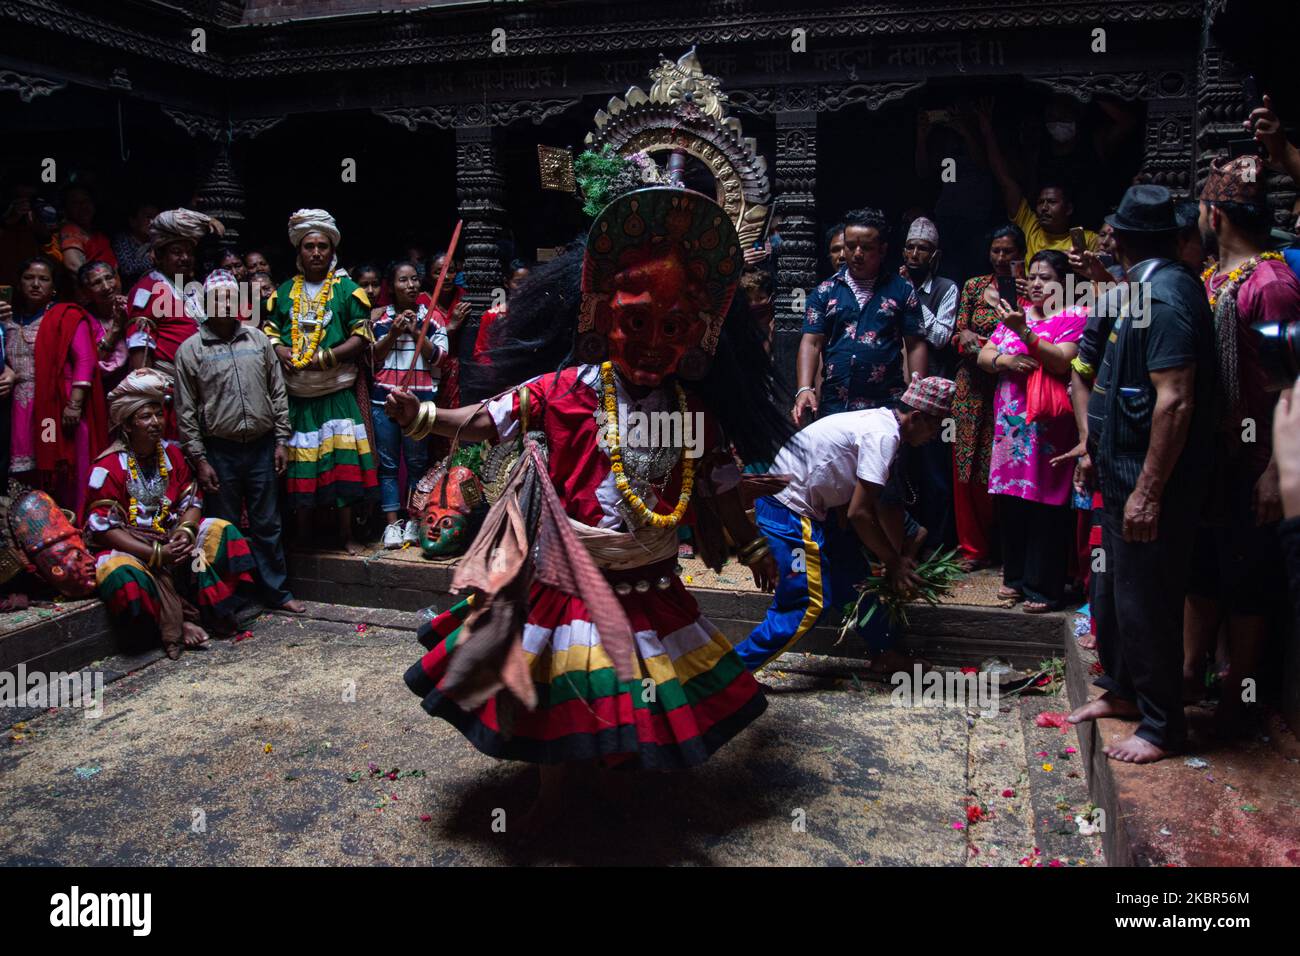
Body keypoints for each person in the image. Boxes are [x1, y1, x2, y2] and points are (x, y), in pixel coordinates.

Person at [387, 186, 790, 822]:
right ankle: (551, 797)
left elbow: (717, 484)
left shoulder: (691, 410)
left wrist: (751, 544)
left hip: (649, 576)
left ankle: (620, 778)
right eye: (638, 323)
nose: (655, 342)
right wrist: (424, 416)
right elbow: (489, 422)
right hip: (570, 574)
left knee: (639, 686)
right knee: (560, 685)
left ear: (694, 335)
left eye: (672, 327)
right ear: (604, 318)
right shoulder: (565, 389)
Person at [1065, 184, 1214, 763]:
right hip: (1118, 471)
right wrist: (1091, 450)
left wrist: (1149, 492)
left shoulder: (1170, 295)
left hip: (1150, 484)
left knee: (1148, 599)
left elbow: (1175, 400)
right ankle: (1125, 692)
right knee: (1117, 593)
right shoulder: (1139, 287)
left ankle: (1162, 725)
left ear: (1122, 238)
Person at [1183, 155, 1300, 733]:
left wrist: (1277, 471)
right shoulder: (1210, 280)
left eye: (1202, 209)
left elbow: (1291, 383)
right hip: (1211, 457)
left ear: (1216, 214)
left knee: (1249, 581)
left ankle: (1240, 701)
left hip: (1253, 460)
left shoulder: (1271, 287)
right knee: (1203, 570)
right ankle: (1189, 678)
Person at [733, 375, 954, 672]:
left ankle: (885, 651)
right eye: (935, 426)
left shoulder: (881, 422)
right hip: (789, 511)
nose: (935, 435)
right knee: (806, 604)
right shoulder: (884, 436)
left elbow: (852, 502)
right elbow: (858, 513)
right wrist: (893, 560)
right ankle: (732, 673)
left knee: (853, 577)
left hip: (812, 509)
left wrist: (890, 554)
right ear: (916, 417)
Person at [85, 369, 256, 659]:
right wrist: (156, 554)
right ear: (127, 425)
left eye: (159, 415)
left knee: (221, 532)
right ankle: (170, 625)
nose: (156, 423)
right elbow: (104, 528)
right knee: (120, 574)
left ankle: (205, 612)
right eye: (145, 417)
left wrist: (184, 532)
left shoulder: (173, 455)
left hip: (172, 538)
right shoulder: (108, 468)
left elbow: (191, 500)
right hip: (133, 547)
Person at [174, 270, 305, 616]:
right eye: (217, 298)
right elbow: (185, 412)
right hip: (220, 451)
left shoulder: (258, 340)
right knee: (222, 529)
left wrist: (281, 440)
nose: (225, 304)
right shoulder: (190, 350)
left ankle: (277, 593)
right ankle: (227, 599)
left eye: (231, 297)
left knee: (268, 524)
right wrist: (200, 460)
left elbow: (278, 392)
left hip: (262, 446)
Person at [262, 208, 378, 553]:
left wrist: (326, 356)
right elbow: (269, 331)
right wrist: (280, 349)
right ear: (299, 251)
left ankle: (346, 536)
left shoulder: (348, 291)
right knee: (302, 467)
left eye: (322, 246)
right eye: (309, 246)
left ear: (332, 250)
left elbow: (362, 335)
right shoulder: (283, 292)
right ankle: (303, 535)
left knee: (342, 468)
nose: (315, 252)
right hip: (297, 397)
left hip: (336, 393)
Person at [978, 249, 1086, 612]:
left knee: (1046, 503)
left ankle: (1044, 587)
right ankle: (1015, 578)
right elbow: (984, 355)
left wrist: (1023, 332)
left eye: (1047, 277)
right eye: (1034, 277)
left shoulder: (1075, 316)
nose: (1037, 284)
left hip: (1048, 428)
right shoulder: (1017, 312)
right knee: (1010, 501)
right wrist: (1004, 359)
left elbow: (1063, 360)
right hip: (1010, 428)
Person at [793, 206, 927, 424]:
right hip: (835, 406)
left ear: (882, 250)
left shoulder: (902, 290)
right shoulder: (824, 291)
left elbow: (915, 345)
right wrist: (804, 388)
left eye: (866, 247)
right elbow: (811, 343)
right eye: (850, 245)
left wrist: (916, 397)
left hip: (885, 407)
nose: (856, 253)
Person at [4, 256, 108, 516]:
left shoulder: (65, 316)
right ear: (19, 284)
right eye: (29, 278)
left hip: (54, 410)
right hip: (17, 408)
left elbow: (85, 359)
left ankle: (69, 525)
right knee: (23, 472)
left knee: (55, 462)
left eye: (43, 279)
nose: (36, 284)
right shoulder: (8, 321)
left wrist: (74, 403)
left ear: (54, 288)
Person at [952, 224, 1026, 568]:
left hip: (1016, 386)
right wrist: (965, 335)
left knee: (1006, 464)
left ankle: (1010, 550)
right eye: (995, 251)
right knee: (966, 464)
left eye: (1008, 251)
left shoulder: (1033, 289)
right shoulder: (974, 286)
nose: (1000, 258)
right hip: (973, 386)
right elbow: (958, 331)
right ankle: (973, 548)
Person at [125, 208, 225, 438]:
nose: (185, 258)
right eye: (176, 252)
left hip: (202, 386)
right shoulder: (147, 289)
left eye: (189, 252)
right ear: (158, 256)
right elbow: (141, 350)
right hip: (171, 390)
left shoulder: (189, 286)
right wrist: (148, 397)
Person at [369, 260, 444, 548]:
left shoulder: (432, 317)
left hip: (419, 401)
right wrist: (393, 333)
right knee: (388, 465)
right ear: (393, 285)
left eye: (414, 279)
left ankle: (414, 520)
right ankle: (392, 525)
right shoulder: (379, 320)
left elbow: (439, 358)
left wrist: (415, 332)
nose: (410, 285)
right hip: (383, 399)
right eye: (403, 280)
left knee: (416, 464)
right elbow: (373, 356)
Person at [978, 99, 1099, 262]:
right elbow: (1005, 181)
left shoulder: (1086, 238)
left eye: (1052, 202)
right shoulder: (1030, 227)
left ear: (1068, 208)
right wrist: (987, 132)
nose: (1044, 207)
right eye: (1041, 202)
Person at [50, 185, 117, 292]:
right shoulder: (70, 230)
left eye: (86, 201)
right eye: (75, 203)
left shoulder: (97, 233)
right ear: (66, 209)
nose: (83, 206)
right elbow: (74, 266)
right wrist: (102, 288)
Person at [77, 260, 130, 394]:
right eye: (97, 283)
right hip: (100, 388)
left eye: (109, 278)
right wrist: (116, 328)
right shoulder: (83, 319)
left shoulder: (132, 306)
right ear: (86, 291)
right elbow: (87, 362)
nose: (106, 287)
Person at [472, 259, 530, 369]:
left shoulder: (536, 313)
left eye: (528, 282)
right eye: (518, 282)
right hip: (499, 374)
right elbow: (481, 353)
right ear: (506, 283)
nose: (524, 287)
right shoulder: (492, 315)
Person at [110, 200, 159, 290]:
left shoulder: (161, 239)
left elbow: (175, 270)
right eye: (148, 217)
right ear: (133, 221)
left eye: (156, 217)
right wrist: (154, 260)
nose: (153, 222)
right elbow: (127, 268)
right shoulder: (123, 239)